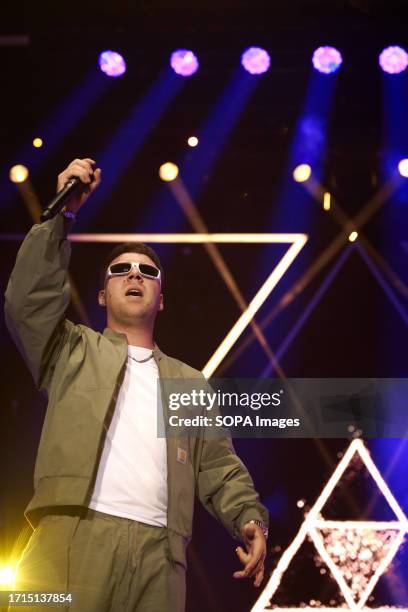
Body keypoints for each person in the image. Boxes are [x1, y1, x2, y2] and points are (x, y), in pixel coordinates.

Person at [4, 158, 269, 612]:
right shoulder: (71, 349)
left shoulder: (190, 382)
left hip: (160, 561)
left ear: (161, 300)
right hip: (67, 538)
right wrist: (61, 213)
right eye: (121, 269)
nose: (134, 275)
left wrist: (248, 517)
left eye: (147, 272)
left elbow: (219, 467)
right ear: (102, 294)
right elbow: (26, 300)